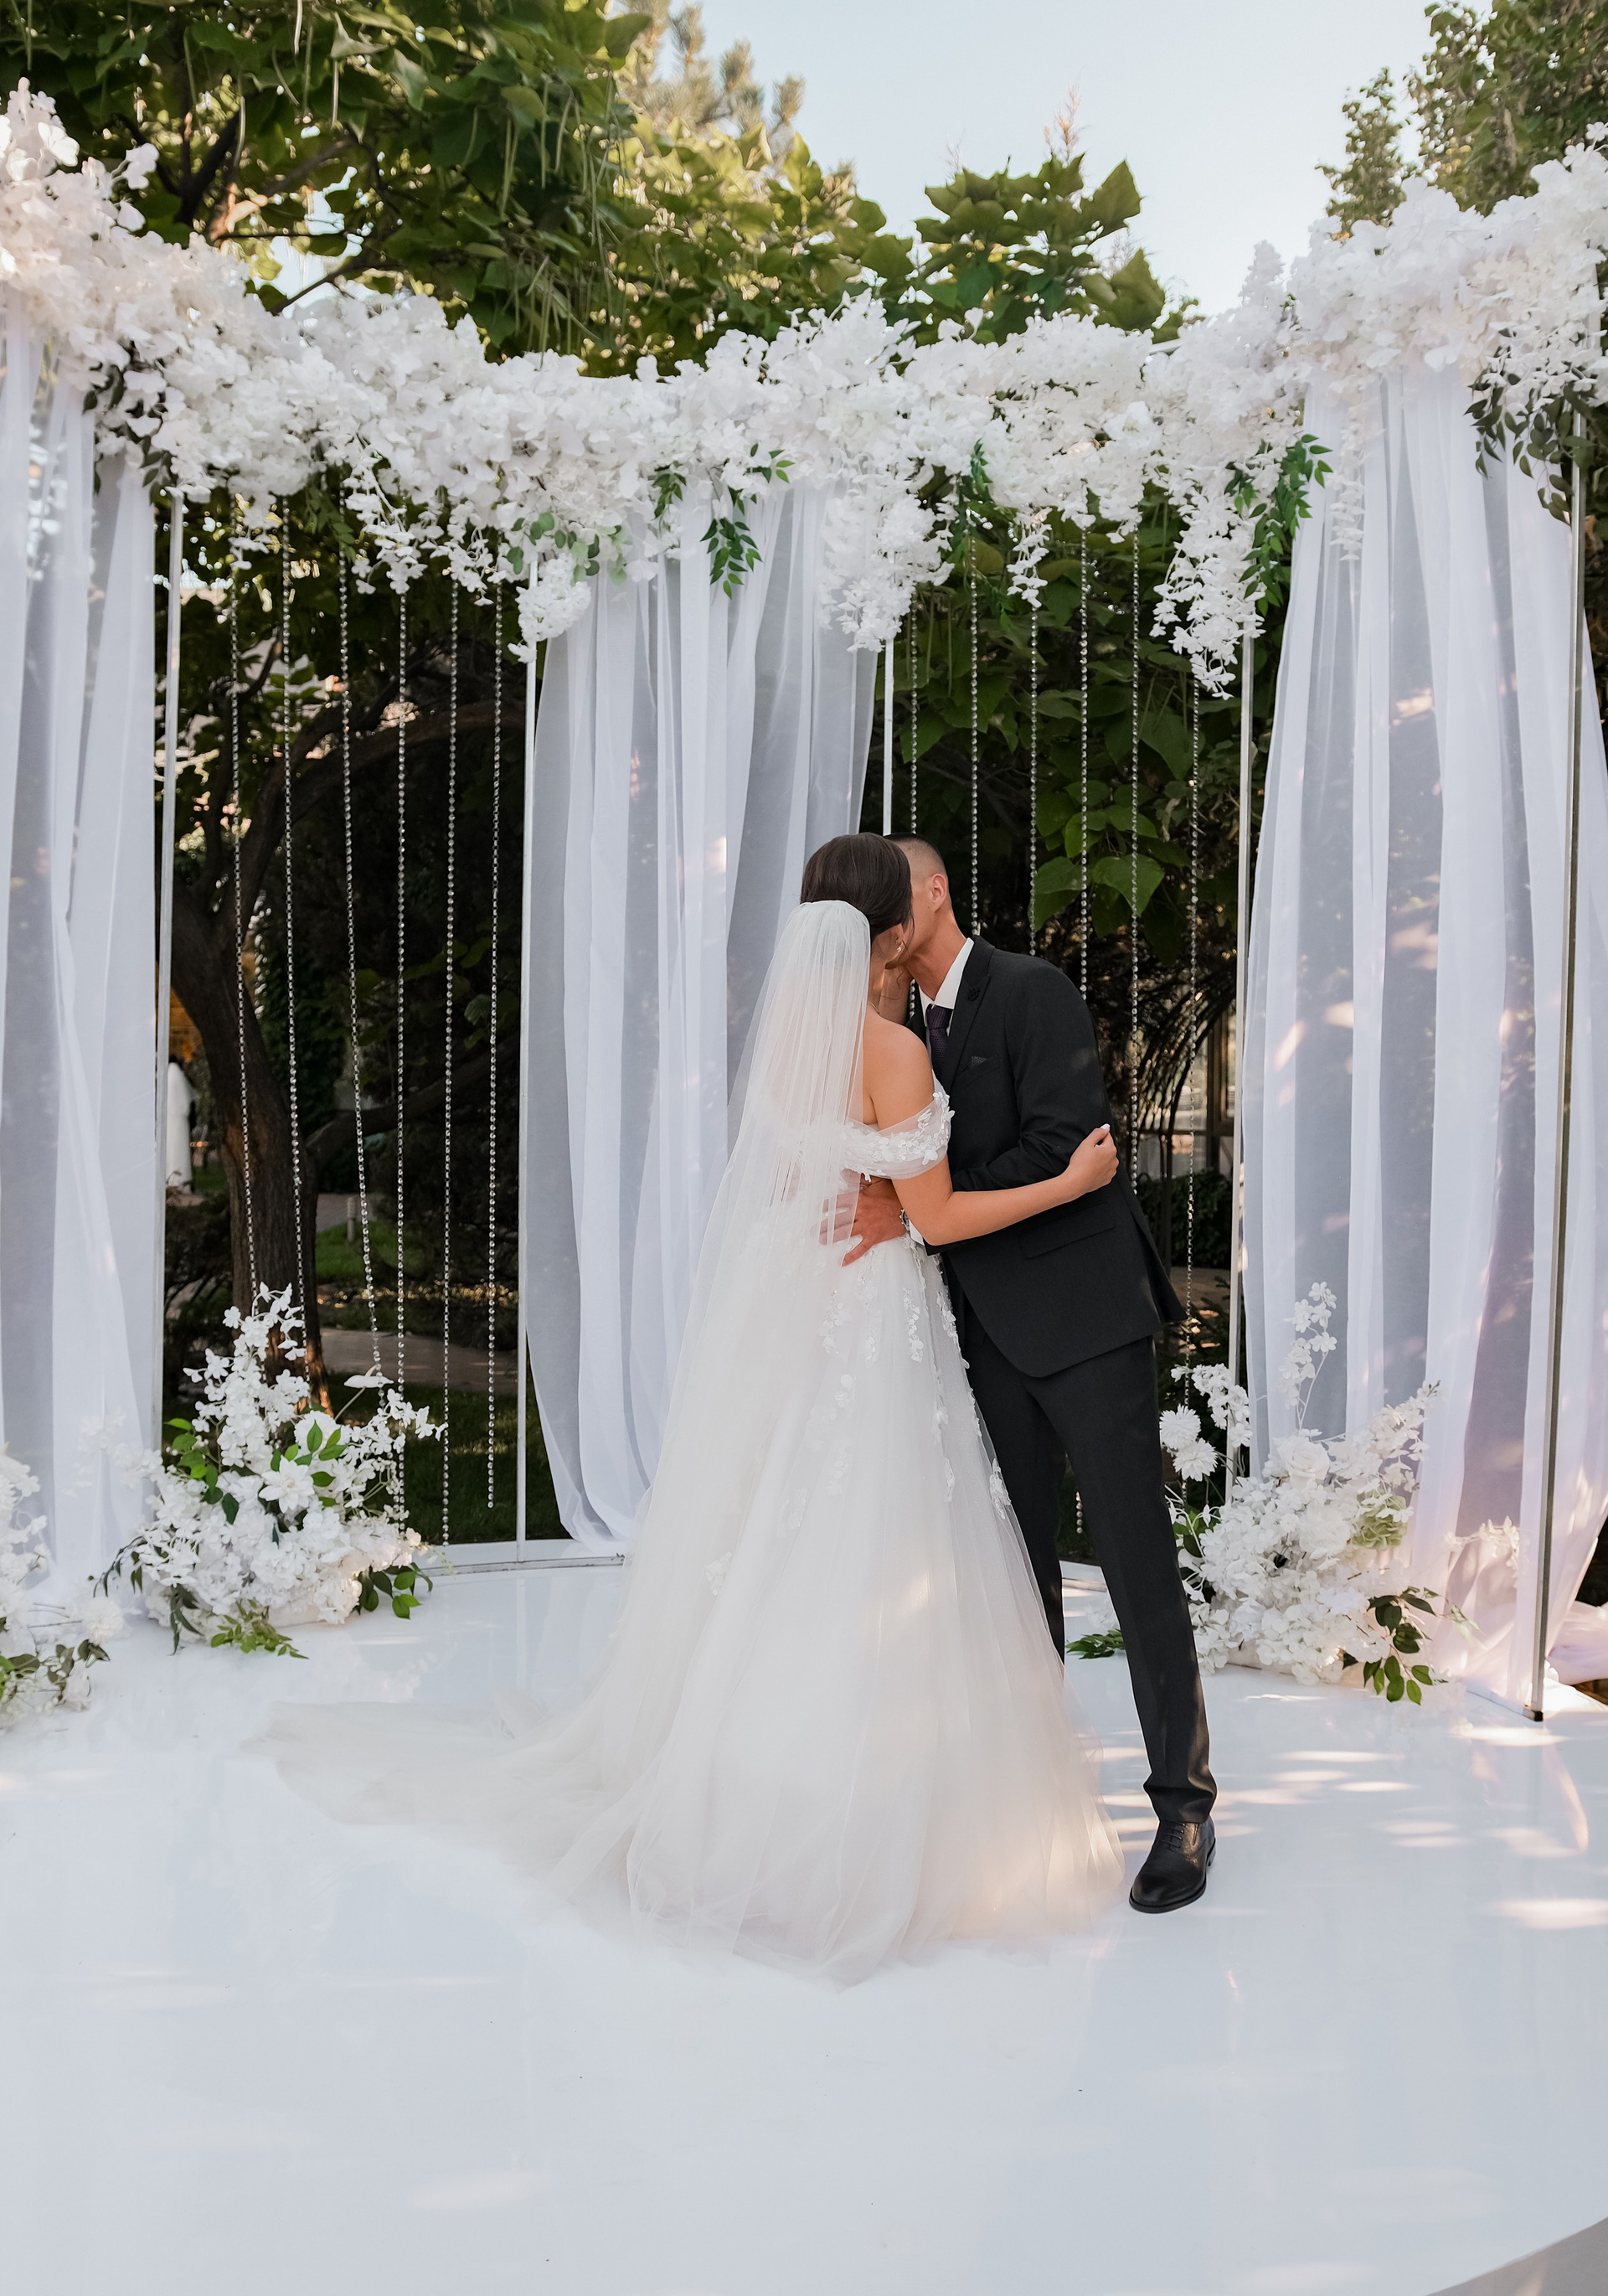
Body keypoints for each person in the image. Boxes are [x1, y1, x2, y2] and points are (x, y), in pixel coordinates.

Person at [264, 836, 1123, 1979]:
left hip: (798, 1298)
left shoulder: (789, 1046)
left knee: (777, 1526)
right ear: (887, 939)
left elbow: (794, 1184)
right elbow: (941, 1216)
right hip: (871, 1307)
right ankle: (863, 1816)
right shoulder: (895, 1052)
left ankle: (740, 1780)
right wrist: (1070, 1181)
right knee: (874, 1526)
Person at [847, 837, 1216, 1916]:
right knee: (1015, 1576)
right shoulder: (890, 1025)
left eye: (894, 890)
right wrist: (911, 1203)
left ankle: (1184, 1807)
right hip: (980, 1328)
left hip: (1085, 1317)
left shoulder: (1031, 988)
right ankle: (1038, 1801)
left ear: (934, 891)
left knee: (1136, 1563)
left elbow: (1067, 1144)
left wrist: (919, 1206)